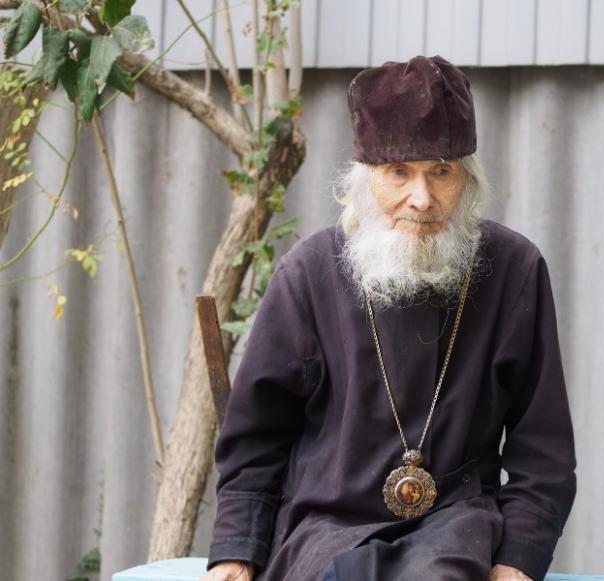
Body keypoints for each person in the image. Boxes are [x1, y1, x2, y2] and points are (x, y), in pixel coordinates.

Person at [202, 55, 577, 581]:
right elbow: (256, 437)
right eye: (399, 172)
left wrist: (518, 559)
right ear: (363, 179)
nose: (421, 199)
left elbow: (544, 450)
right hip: (321, 526)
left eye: (441, 172)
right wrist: (235, 552)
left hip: (455, 527)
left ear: (468, 179)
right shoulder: (308, 273)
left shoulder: (514, 270)